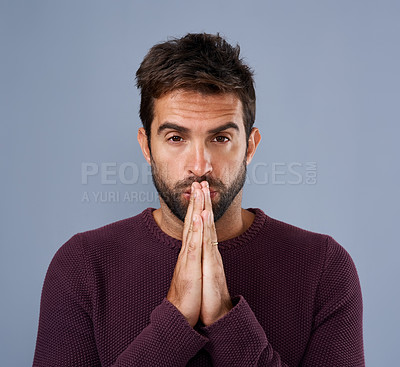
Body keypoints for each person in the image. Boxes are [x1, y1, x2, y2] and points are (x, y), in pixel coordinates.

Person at [33, 33, 365, 366]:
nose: (200, 166)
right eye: (176, 137)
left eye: (221, 138)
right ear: (147, 146)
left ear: (250, 146)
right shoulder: (81, 265)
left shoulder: (324, 268)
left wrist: (226, 317)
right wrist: (174, 321)